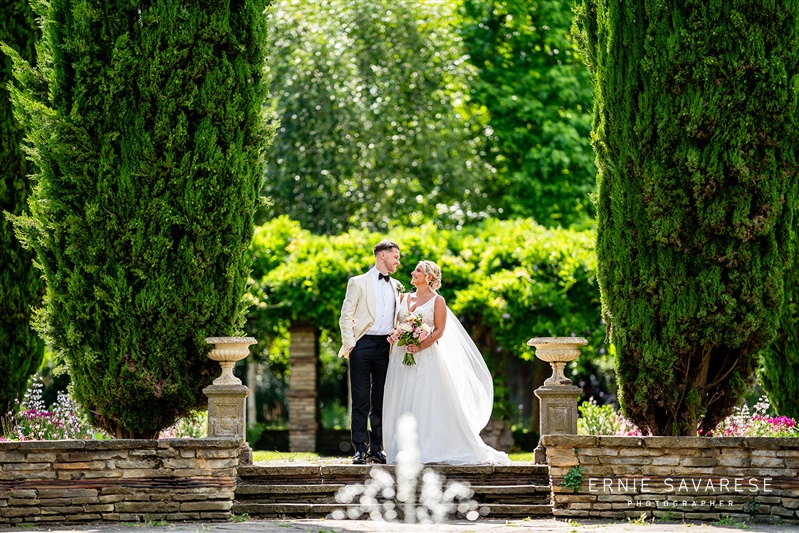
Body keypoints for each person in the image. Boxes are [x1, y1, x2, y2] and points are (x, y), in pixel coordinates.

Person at [383, 260, 510, 465]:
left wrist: (420, 346)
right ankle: (402, 447)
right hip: (401, 356)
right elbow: (398, 324)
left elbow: (439, 331)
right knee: (403, 397)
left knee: (425, 400)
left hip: (426, 357)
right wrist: (395, 335)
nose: (413, 272)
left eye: (418, 270)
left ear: (429, 277)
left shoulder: (437, 301)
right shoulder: (403, 297)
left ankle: (429, 445)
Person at [338, 240, 402, 464]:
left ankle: (377, 447)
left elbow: (399, 316)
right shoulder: (358, 282)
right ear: (382, 256)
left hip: (387, 347)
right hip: (362, 345)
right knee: (361, 399)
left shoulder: (397, 285)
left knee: (381, 399)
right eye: (396, 256)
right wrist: (351, 343)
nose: (398, 261)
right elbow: (346, 316)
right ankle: (359, 448)